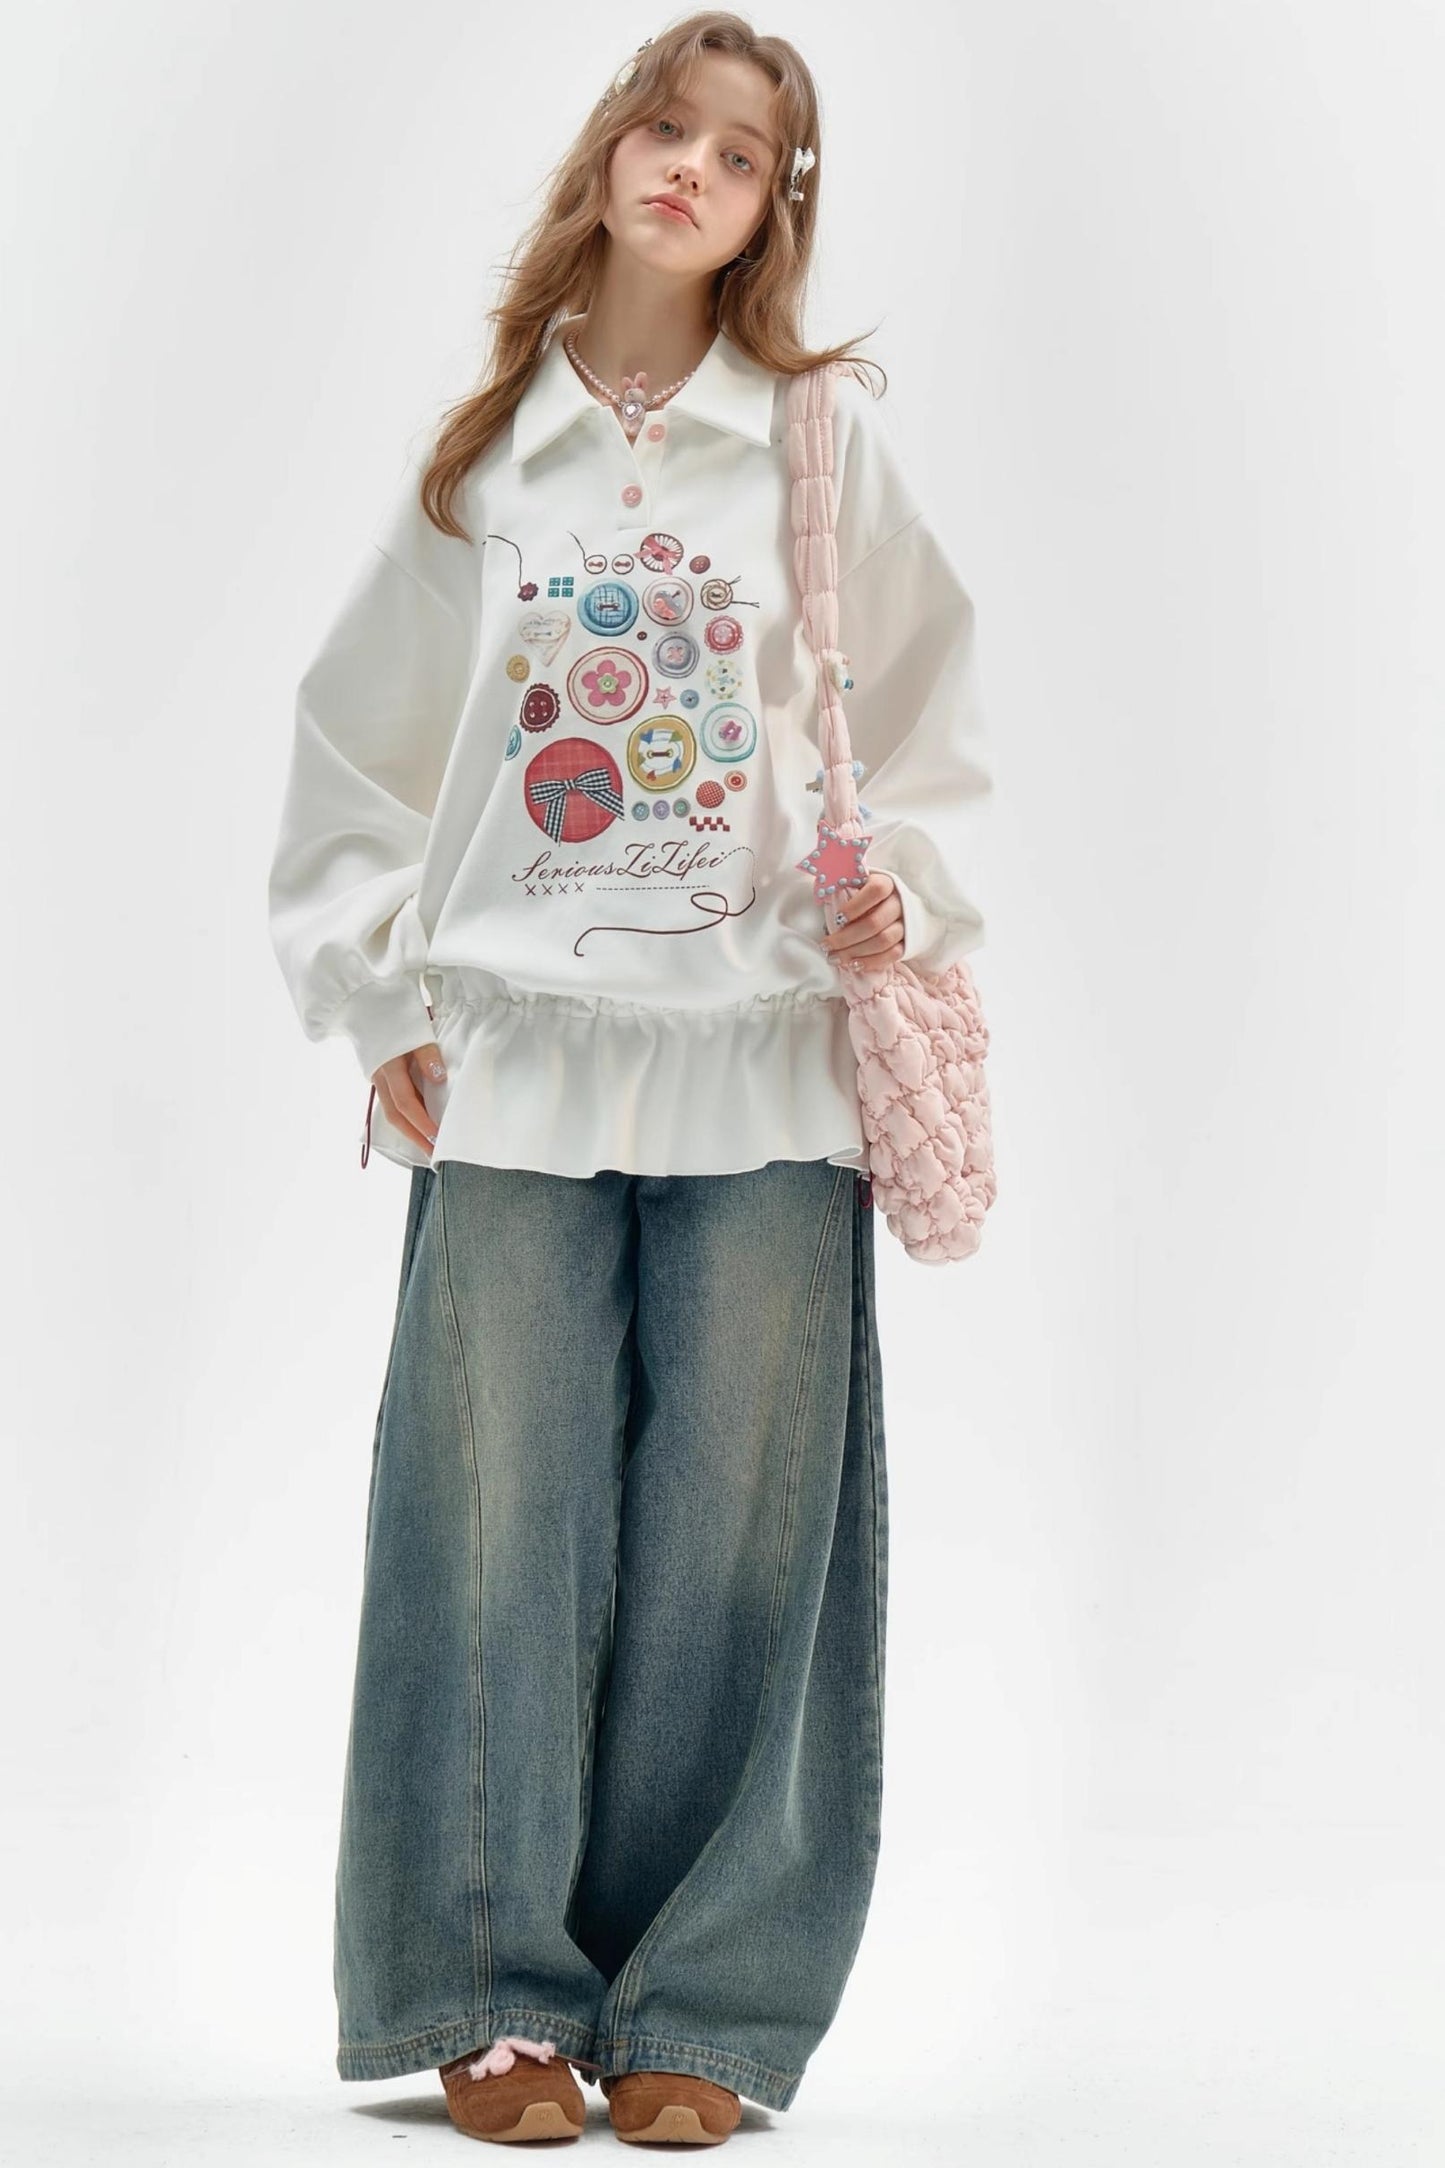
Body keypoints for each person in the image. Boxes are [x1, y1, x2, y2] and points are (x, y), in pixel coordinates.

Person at [267, 10, 992, 2147]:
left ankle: (707, 2002)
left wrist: (904, 886)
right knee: (490, 1516)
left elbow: (932, 718)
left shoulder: (819, 447)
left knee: (740, 1533)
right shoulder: (492, 459)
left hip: (765, 1059)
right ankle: (487, 1987)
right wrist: (374, 1000)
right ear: (606, 153)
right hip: (512, 1059)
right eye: (665, 127)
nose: (691, 167)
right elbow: (353, 747)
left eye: (741, 154)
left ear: (778, 209)